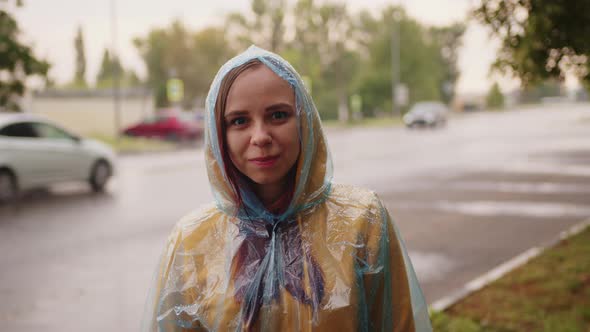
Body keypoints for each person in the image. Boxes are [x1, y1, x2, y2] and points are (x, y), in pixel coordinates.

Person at [141, 46, 432, 332]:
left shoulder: (362, 220)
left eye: (278, 115)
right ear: (219, 134)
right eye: (239, 121)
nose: (261, 136)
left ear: (304, 119)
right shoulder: (191, 241)